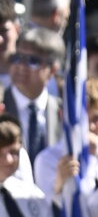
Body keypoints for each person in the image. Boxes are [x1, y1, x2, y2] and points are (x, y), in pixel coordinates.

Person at [5, 32, 64, 166]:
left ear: (52, 70)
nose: (21, 66)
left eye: (33, 61)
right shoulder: (2, 105)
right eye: (17, 57)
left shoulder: (65, 112)